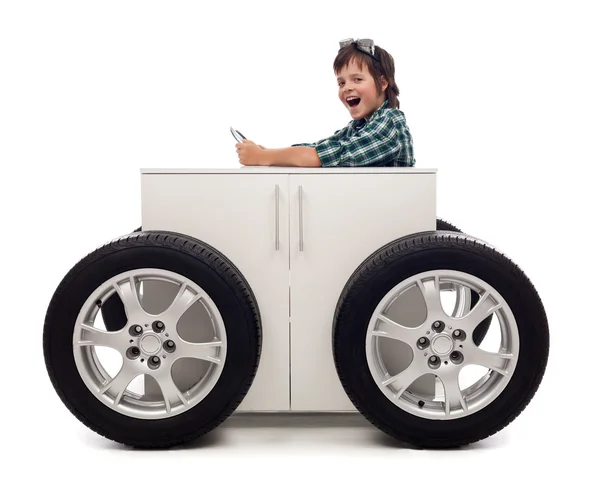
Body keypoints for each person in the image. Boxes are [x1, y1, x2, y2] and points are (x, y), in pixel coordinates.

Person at [235, 38, 415, 168]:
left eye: (357, 79)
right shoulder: (358, 127)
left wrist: (261, 157)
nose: (347, 88)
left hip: (392, 217)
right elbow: (318, 147)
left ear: (383, 83)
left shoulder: (390, 121)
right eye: (341, 82)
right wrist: (268, 153)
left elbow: (321, 157)